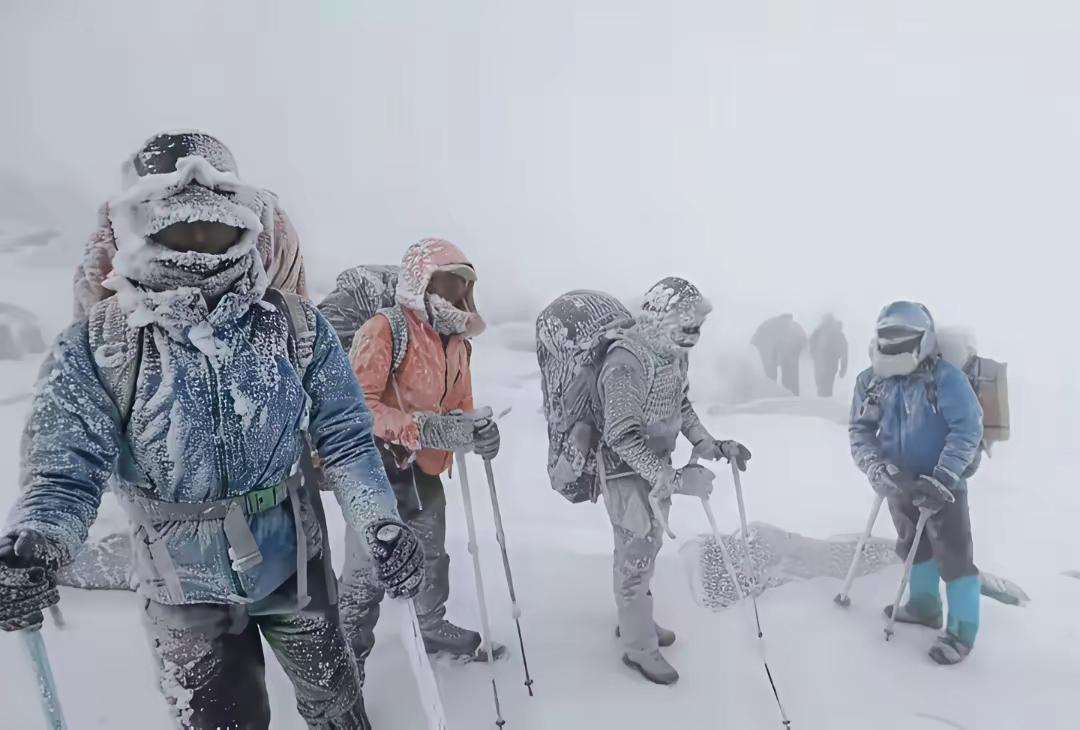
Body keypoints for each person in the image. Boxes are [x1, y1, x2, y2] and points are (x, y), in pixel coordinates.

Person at [0, 131, 423, 729]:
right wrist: (36, 544)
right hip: (182, 589)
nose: (200, 246)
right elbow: (65, 472)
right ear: (142, 222)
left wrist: (380, 524)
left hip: (294, 565)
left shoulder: (294, 327)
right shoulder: (100, 346)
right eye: (179, 224)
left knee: (335, 702)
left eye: (214, 223)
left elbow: (348, 440)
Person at [338, 238, 501, 675]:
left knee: (431, 551)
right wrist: (429, 428)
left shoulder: (458, 341)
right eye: (444, 281)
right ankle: (345, 660)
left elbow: (461, 408)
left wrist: (477, 434)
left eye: (460, 284)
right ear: (419, 281)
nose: (452, 293)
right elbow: (357, 405)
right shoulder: (385, 328)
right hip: (376, 468)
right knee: (370, 570)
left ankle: (430, 625)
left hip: (425, 469)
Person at [599, 277, 751, 684]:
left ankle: (636, 622)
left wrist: (713, 445)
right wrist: (676, 478)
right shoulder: (625, 362)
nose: (694, 336)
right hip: (623, 472)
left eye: (698, 327)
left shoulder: (672, 353)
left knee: (644, 549)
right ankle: (638, 648)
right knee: (635, 555)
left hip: (652, 471)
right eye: (688, 327)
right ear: (662, 318)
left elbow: (679, 405)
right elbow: (621, 436)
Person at [849, 301, 983, 665]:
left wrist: (942, 478)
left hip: (944, 485)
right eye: (887, 340)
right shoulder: (871, 381)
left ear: (924, 340)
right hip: (899, 481)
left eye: (902, 339)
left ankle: (961, 631)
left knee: (954, 556)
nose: (893, 347)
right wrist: (876, 467)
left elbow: (967, 429)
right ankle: (924, 606)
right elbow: (860, 431)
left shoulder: (945, 378)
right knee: (912, 546)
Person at [751, 313, 807, 395]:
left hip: (772, 352)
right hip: (784, 353)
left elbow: (754, 339)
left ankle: (772, 393)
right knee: (788, 376)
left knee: (771, 375)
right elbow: (803, 340)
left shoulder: (768, 324)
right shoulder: (793, 325)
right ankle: (790, 393)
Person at [809, 313, 849, 397]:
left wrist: (813, 355)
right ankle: (826, 403)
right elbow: (844, 352)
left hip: (821, 362)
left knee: (821, 384)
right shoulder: (836, 333)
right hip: (830, 363)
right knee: (827, 384)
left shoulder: (818, 332)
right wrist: (843, 368)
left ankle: (823, 402)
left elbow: (811, 346)